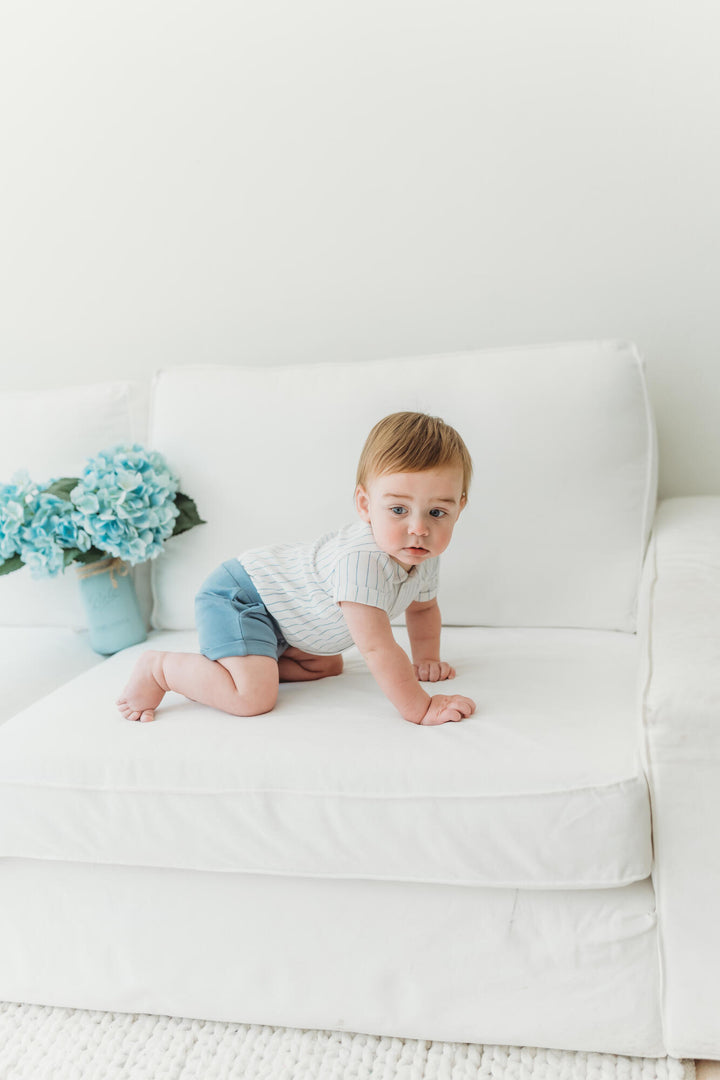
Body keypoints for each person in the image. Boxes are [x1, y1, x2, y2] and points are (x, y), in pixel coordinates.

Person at [117, 411, 476, 727]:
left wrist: (427, 659)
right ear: (365, 505)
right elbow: (378, 649)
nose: (419, 528)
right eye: (398, 509)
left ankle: (247, 664)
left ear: (458, 508)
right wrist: (420, 707)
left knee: (327, 665)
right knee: (252, 698)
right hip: (241, 596)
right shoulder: (361, 561)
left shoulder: (421, 553)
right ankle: (161, 669)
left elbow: (423, 607)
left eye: (437, 513)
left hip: (287, 623)